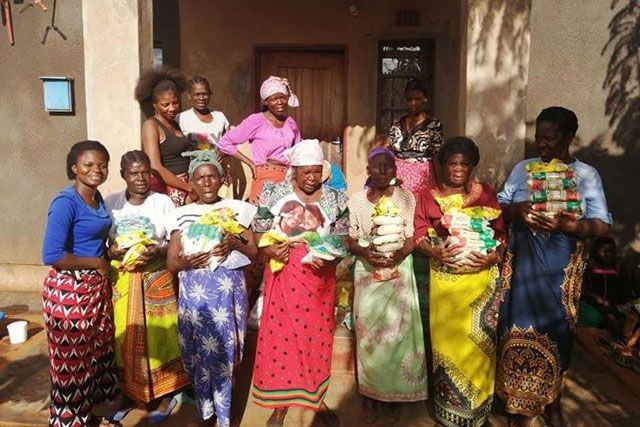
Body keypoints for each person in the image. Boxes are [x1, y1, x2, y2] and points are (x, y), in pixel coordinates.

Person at [496, 106, 611, 427]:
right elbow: (499, 207)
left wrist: (569, 225)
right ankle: (517, 408)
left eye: (550, 138)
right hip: (522, 268)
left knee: (556, 331)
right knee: (515, 329)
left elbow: (601, 225)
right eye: (538, 138)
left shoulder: (586, 175)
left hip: (558, 272)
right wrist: (517, 210)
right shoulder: (524, 169)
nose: (542, 145)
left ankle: (551, 400)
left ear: (569, 138)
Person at [251, 139, 348, 427]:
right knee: (281, 340)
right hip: (284, 275)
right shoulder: (274, 193)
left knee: (316, 340)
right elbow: (257, 232)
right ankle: (279, 408)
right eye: (305, 172)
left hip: (319, 279)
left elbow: (342, 237)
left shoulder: (335, 198)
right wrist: (268, 250)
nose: (311, 178)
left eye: (316, 172)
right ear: (293, 170)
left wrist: (330, 258)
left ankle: (315, 399)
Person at [413, 137, 505, 427]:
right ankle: (447, 411)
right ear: (442, 165)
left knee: (479, 346)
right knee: (447, 344)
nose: (458, 168)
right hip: (446, 283)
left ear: (472, 165)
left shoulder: (485, 194)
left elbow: (501, 232)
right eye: (452, 163)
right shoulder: (427, 195)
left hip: (481, 285)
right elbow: (418, 230)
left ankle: (478, 411)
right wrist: (432, 248)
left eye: (464, 164)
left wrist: (493, 258)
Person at [166, 150, 258, 427]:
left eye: (212, 177)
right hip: (195, 297)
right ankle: (205, 413)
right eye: (200, 178)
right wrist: (185, 261)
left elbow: (253, 251)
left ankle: (224, 417)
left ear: (222, 179)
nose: (206, 183)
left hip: (228, 294)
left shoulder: (237, 210)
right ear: (191, 182)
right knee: (196, 355)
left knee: (227, 356)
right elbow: (171, 263)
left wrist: (234, 244)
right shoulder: (181, 215)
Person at [104, 150, 189, 423]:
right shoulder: (112, 203)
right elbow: (107, 244)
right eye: (133, 173)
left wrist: (159, 250)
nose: (141, 178)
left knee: (161, 334)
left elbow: (173, 240)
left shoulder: (162, 202)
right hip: (125, 278)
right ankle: (129, 391)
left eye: (145, 172)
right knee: (125, 334)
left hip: (155, 275)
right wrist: (113, 251)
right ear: (123, 176)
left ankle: (167, 390)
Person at [347, 147, 428, 423]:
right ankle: (371, 393)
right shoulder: (357, 201)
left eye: (388, 167)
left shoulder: (406, 198)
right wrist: (367, 253)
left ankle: (395, 393)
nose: (383, 171)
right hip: (369, 271)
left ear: (396, 171)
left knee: (399, 336)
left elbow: (411, 236)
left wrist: (399, 255)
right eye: (377, 166)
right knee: (370, 335)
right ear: (368, 170)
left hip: (398, 268)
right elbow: (351, 238)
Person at [41, 140, 118, 427]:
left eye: (102, 165)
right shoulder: (65, 202)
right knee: (71, 363)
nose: (96, 170)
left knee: (93, 355)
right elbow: (52, 254)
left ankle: (90, 413)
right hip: (69, 292)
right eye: (88, 164)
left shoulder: (97, 199)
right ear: (74, 168)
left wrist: (111, 254)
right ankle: (69, 422)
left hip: (93, 289)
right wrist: (97, 263)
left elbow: (92, 242)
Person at [218, 75, 301, 204]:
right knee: (263, 218)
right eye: (274, 99)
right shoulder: (256, 121)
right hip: (265, 177)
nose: (279, 102)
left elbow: (299, 149)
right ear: (265, 102)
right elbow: (225, 143)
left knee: (286, 220)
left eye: (282, 97)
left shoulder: (291, 123)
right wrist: (250, 163)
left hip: (289, 178)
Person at [135, 67, 193, 206]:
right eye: (165, 105)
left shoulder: (174, 123)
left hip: (186, 186)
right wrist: (188, 188)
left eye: (175, 103)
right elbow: (155, 166)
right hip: (169, 190)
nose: (172, 108)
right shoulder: (151, 126)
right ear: (155, 105)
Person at [388, 78, 444, 193]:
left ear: (425, 99)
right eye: (409, 99)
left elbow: (436, 155)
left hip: (423, 177)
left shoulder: (433, 125)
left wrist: (440, 185)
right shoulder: (397, 124)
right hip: (399, 177)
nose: (413, 103)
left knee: (422, 209)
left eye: (417, 99)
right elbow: (391, 152)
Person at [178, 75, 230, 150]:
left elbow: (230, 142)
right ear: (189, 96)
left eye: (205, 94)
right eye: (197, 94)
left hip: (216, 161)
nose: (201, 98)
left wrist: (223, 152)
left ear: (210, 95)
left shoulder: (220, 117)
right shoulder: (181, 118)